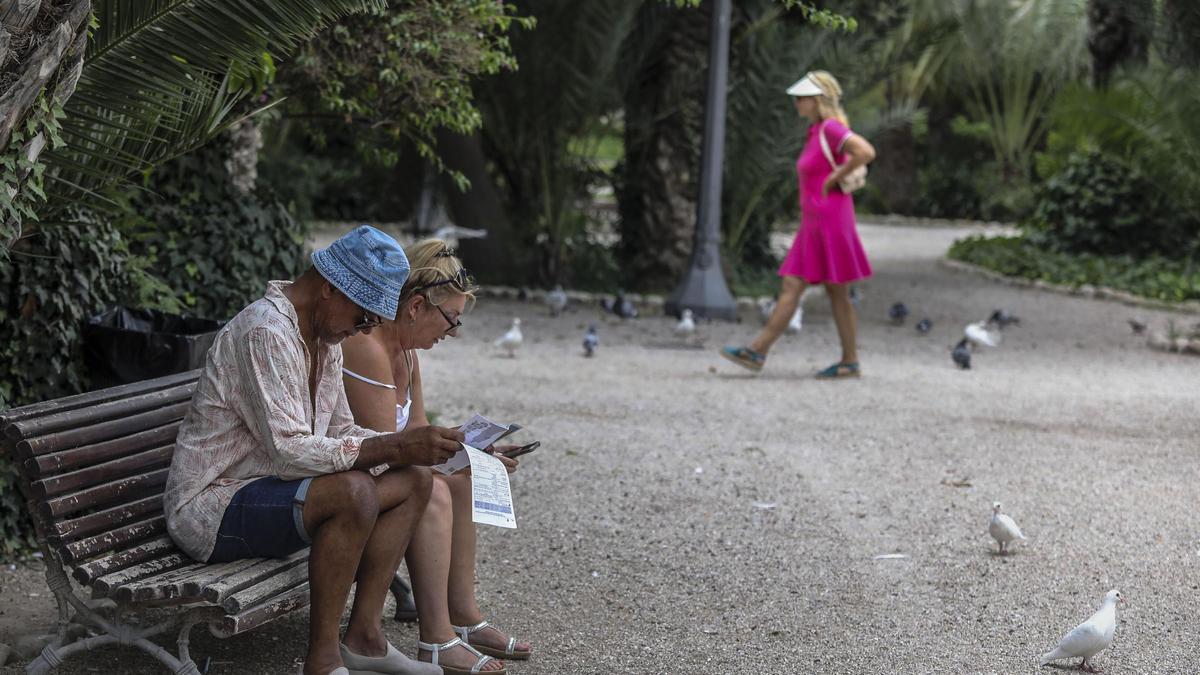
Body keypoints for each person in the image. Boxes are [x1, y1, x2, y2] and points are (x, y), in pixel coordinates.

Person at [163, 226, 465, 675]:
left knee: (414, 478)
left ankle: (364, 638)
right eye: (362, 318)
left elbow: (342, 429)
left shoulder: (325, 337)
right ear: (329, 288)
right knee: (354, 492)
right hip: (212, 505)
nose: (360, 331)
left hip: (273, 492)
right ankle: (322, 662)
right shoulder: (265, 331)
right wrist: (398, 443)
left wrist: (420, 451)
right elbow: (289, 452)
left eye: (369, 324)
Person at [341, 239, 531, 675]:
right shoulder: (367, 346)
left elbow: (416, 433)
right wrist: (448, 455)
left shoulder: (406, 352)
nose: (452, 332)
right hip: (356, 474)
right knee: (437, 492)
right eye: (450, 320)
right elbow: (390, 451)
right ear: (416, 308)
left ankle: (463, 615)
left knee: (461, 480)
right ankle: (437, 639)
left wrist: (475, 453)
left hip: (385, 469)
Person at [721, 70, 876, 378]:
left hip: (829, 220)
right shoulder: (815, 130)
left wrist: (836, 177)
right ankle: (849, 360)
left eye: (802, 97)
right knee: (834, 291)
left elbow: (866, 151)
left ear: (817, 100)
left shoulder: (830, 129)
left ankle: (759, 350)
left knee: (801, 284)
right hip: (818, 221)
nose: (796, 103)